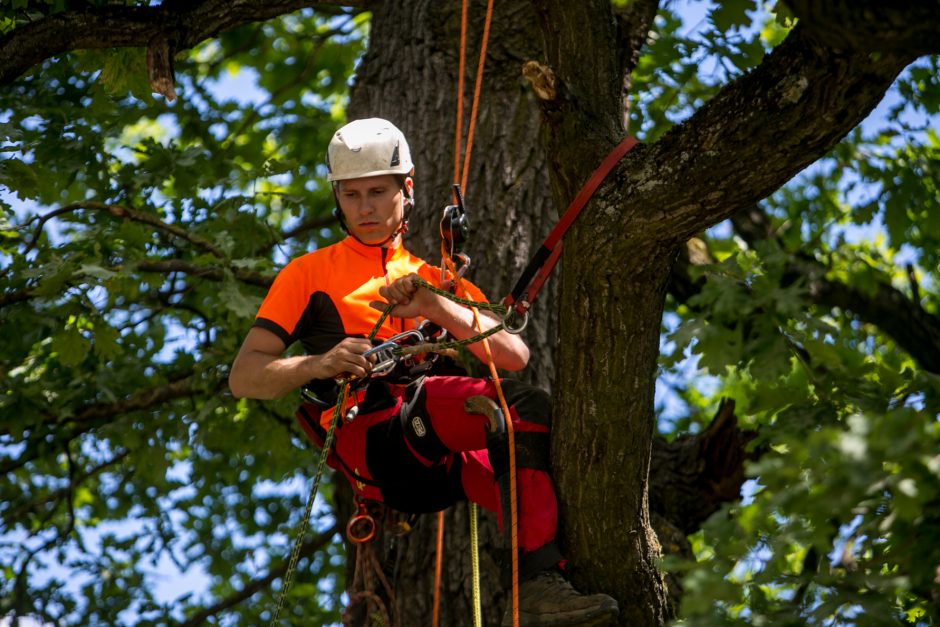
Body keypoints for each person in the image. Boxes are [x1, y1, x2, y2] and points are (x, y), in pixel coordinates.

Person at [229, 118, 618, 626]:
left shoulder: (436, 279)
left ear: (405, 190)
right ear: (337, 198)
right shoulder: (309, 274)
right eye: (351, 195)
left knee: (531, 471)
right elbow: (245, 375)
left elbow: (512, 355)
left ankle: (540, 591)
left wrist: (438, 307)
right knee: (514, 408)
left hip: (433, 456)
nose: (365, 208)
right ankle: (536, 587)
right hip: (372, 436)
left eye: (377, 191)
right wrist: (320, 363)